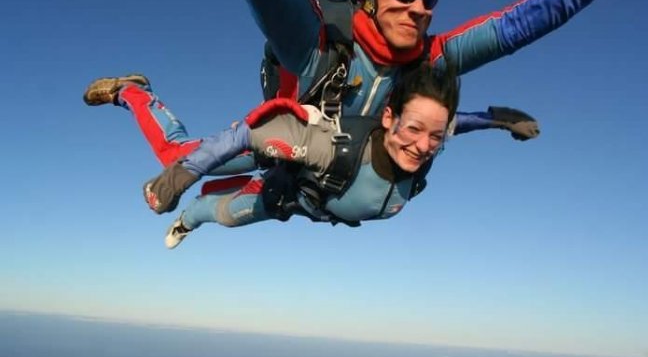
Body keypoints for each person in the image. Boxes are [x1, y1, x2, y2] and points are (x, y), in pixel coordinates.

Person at [82, 64, 464, 248]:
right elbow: (246, 135)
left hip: (290, 197)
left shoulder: (422, 155)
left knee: (224, 215)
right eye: (414, 130)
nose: (422, 145)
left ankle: (192, 214)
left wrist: (489, 120)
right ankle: (132, 92)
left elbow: (445, 125)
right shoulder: (333, 149)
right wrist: (181, 177)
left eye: (436, 137)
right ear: (389, 119)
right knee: (174, 156)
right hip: (275, 157)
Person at [233, 0, 634, 120]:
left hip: (355, 184)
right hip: (287, 167)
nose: (418, 8)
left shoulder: (426, 60)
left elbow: (517, 27)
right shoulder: (318, 43)